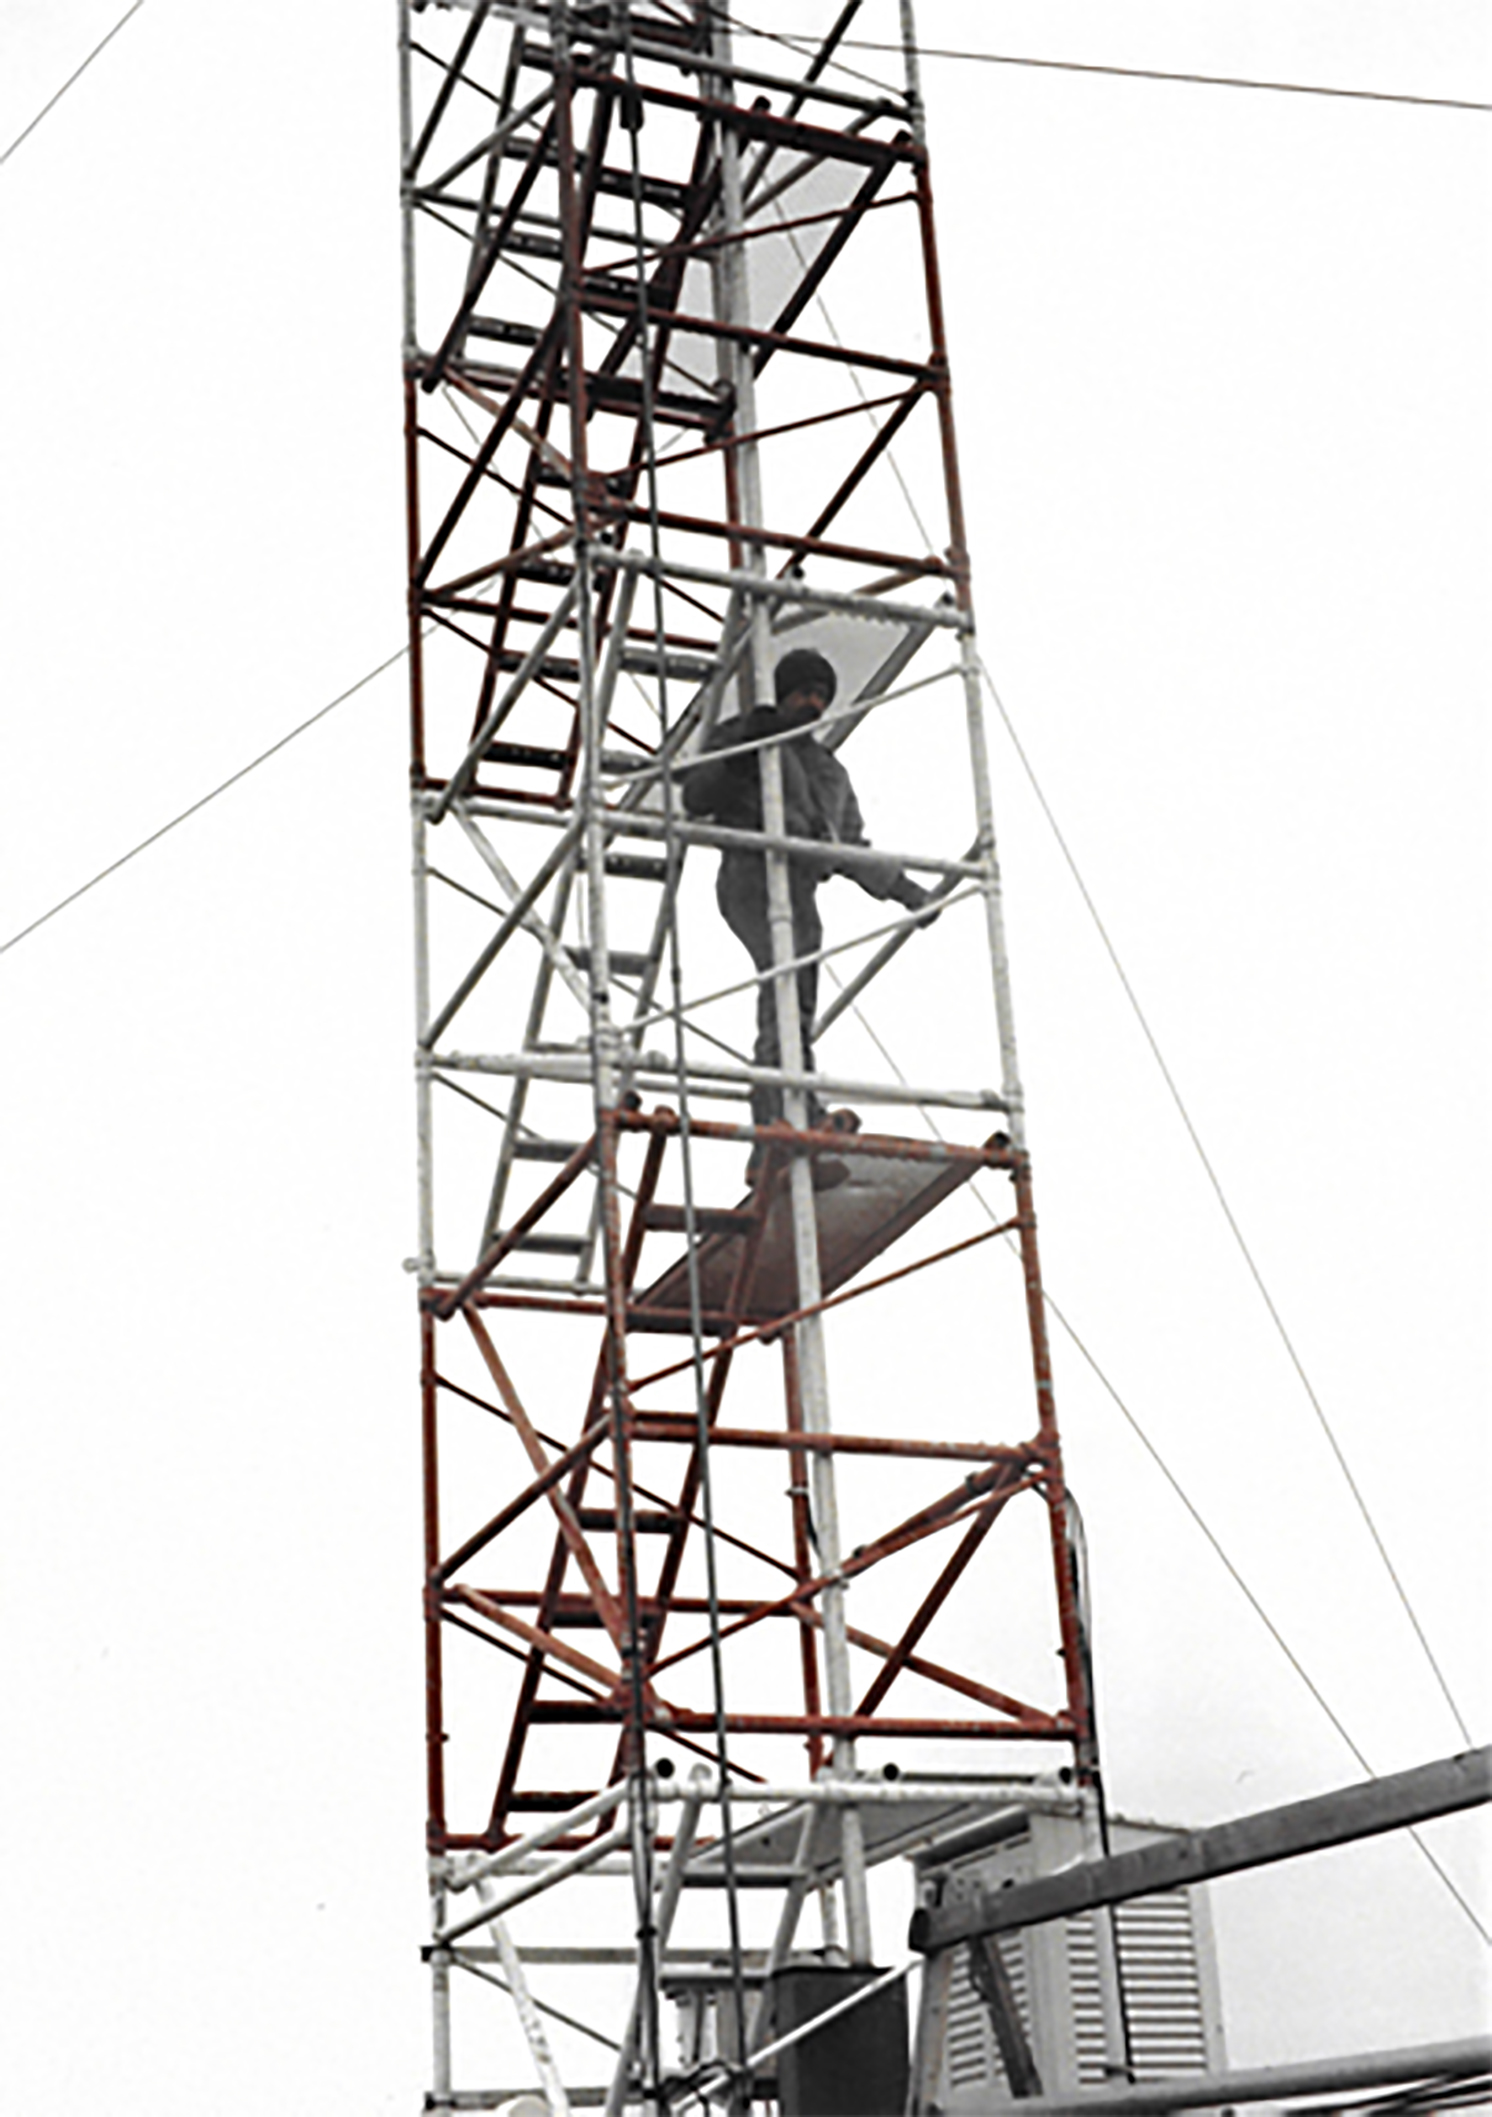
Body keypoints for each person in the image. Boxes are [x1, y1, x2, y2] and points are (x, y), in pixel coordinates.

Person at [683, 647, 934, 1171]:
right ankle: (786, 1113)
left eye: (821, 694)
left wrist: (902, 889)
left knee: (793, 1004)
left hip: (798, 885)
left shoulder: (827, 772)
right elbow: (697, 795)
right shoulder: (751, 733)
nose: (813, 703)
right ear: (783, 692)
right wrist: (747, 749)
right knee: (785, 991)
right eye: (803, 692)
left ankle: (781, 1126)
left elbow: (847, 847)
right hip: (752, 872)